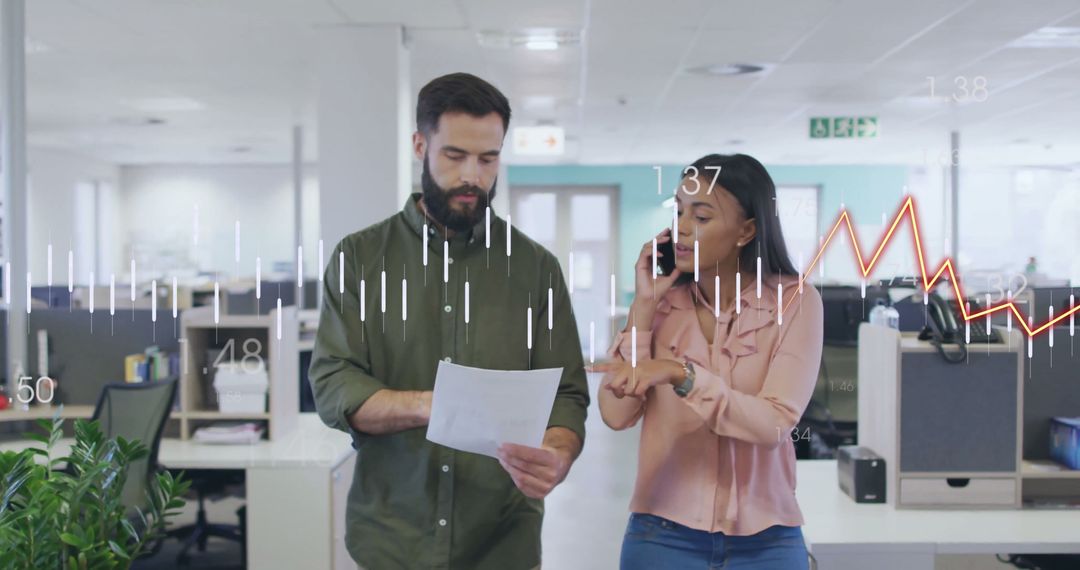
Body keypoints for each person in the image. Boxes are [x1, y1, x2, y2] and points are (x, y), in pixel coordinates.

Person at [309, 72, 589, 570]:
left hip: (502, 540)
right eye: (455, 156)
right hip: (392, 538)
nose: (472, 176)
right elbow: (333, 383)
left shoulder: (534, 268)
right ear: (421, 145)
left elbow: (567, 394)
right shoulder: (359, 258)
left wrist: (559, 453)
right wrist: (435, 407)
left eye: (488, 159)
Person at [591, 153, 822, 569]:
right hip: (661, 535)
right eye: (679, 210)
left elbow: (774, 423)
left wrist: (681, 375)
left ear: (746, 230)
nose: (680, 227)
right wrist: (643, 308)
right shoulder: (660, 305)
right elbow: (616, 413)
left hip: (767, 541)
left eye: (700, 216)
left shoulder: (796, 302)